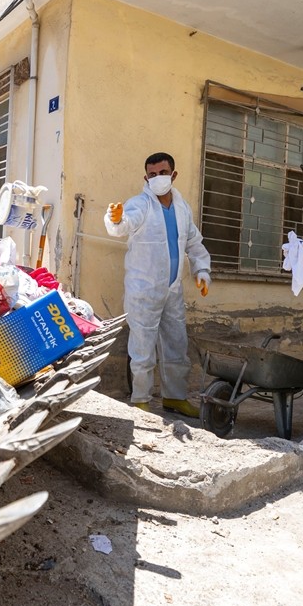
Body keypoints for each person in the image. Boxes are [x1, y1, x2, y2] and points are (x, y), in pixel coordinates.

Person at [105, 152, 212, 416]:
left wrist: (202, 270)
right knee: (142, 348)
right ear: (146, 178)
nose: (157, 178)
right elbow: (124, 224)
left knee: (177, 345)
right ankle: (140, 400)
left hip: (173, 289)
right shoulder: (140, 205)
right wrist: (116, 219)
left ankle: (175, 397)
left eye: (162, 173)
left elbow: (193, 243)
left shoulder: (182, 208)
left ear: (173, 175)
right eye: (152, 175)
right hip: (144, 290)